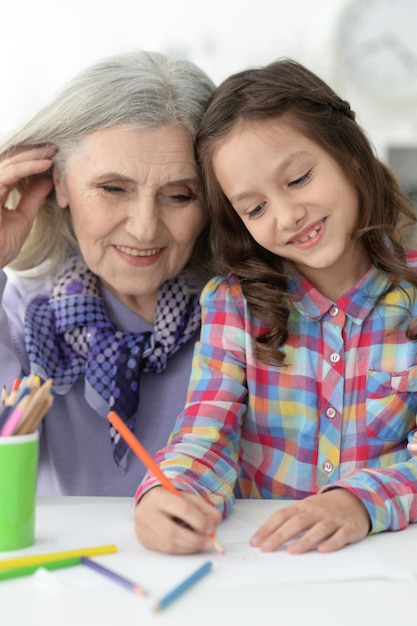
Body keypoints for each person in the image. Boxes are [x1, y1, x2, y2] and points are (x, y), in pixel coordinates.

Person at [134, 58, 417, 555]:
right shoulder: (234, 307)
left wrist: (359, 502)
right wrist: (167, 492)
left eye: (299, 178)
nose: (287, 216)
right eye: (255, 208)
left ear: (350, 156)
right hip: (264, 564)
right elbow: (206, 433)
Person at [0, 50, 216, 495]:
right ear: (58, 182)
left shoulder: (247, 320)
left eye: (179, 196)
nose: (144, 227)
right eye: (113, 189)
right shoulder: (23, 318)